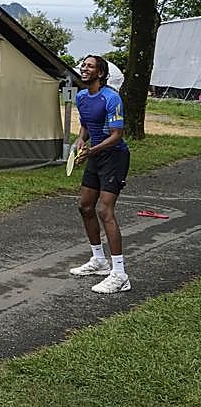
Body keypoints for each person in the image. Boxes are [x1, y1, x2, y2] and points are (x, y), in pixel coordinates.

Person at [69, 55, 131, 293]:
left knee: (105, 211)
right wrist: (79, 142)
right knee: (85, 206)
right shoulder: (82, 97)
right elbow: (85, 127)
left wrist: (91, 150)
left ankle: (120, 274)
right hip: (95, 155)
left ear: (101, 73)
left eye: (90, 66)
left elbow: (116, 135)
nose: (84, 68)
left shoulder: (111, 98)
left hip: (114, 156)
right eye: (83, 65)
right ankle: (99, 261)